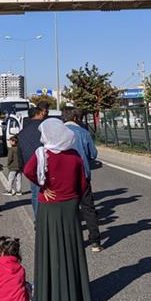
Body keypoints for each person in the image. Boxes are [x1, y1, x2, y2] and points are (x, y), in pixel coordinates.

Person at [22, 118, 91, 301]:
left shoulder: (42, 154)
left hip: (49, 205)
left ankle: (48, 295)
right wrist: (71, 194)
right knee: (72, 248)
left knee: (49, 248)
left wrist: (43, 185)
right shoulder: (74, 156)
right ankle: (75, 295)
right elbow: (83, 183)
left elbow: (28, 171)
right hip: (70, 205)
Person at [64, 108, 102, 253]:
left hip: (65, 177)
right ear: (75, 118)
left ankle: (73, 242)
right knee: (88, 208)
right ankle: (95, 241)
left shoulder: (59, 133)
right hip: (83, 175)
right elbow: (93, 154)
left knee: (69, 210)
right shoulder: (83, 133)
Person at [17, 106, 46, 215]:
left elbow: (19, 152)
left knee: (35, 193)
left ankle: (38, 219)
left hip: (31, 165)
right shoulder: (44, 128)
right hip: (47, 163)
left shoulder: (22, 132)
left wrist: (22, 167)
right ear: (39, 114)